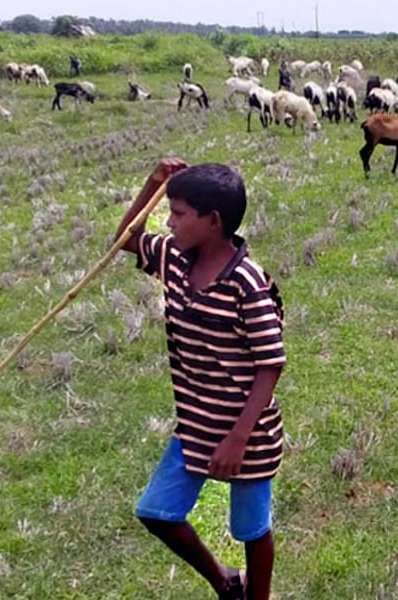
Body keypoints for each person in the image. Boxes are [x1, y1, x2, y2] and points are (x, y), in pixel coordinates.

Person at [114, 159, 287, 600]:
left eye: (177, 213)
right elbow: (126, 239)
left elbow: (270, 364)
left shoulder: (247, 283)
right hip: (195, 425)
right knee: (157, 512)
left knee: (251, 529)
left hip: (245, 432)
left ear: (212, 222)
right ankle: (225, 583)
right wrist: (153, 183)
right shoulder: (173, 257)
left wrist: (237, 439)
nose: (168, 222)